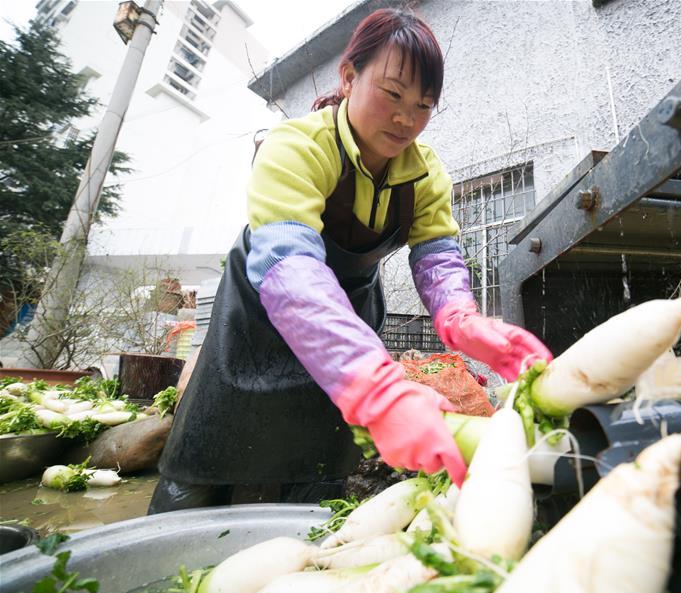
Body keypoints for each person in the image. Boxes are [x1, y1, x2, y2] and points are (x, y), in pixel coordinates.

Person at [148, 8, 552, 514]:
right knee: (204, 459)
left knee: (318, 475)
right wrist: (377, 388)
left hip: (349, 324)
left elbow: (438, 259)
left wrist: (461, 319)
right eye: (392, 93)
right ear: (348, 76)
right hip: (256, 324)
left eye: (424, 105)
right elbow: (290, 268)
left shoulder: (425, 175)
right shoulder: (296, 146)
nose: (407, 118)